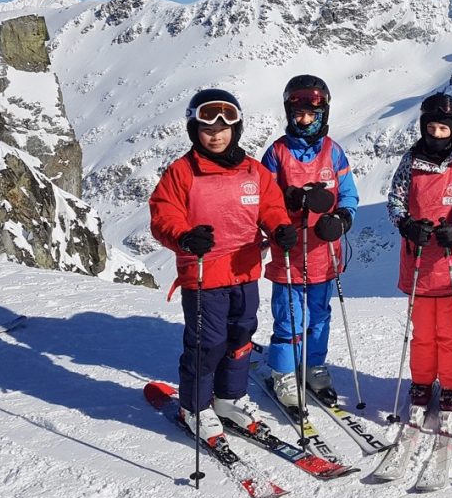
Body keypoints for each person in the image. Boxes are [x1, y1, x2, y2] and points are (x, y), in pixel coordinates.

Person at [149, 88, 297, 444]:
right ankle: (195, 407)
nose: (216, 135)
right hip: (203, 274)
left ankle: (229, 398)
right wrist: (184, 236)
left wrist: (279, 228)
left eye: (223, 127)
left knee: (241, 337)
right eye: (207, 128)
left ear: (237, 128)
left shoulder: (253, 171)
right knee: (207, 344)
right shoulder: (183, 172)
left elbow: (271, 207)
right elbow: (163, 213)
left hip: (244, 271)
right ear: (194, 131)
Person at [260, 75, 359, 413]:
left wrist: (341, 219)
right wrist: (284, 209)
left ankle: (314, 366)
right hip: (289, 252)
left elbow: (348, 194)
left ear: (322, 114)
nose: (302, 120)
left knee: (319, 316)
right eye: (297, 114)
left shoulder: (333, 152)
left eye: (309, 115)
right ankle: (285, 374)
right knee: (288, 317)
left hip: (323, 253)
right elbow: (262, 200)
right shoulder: (277, 152)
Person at [387, 92, 452, 414]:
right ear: (423, 127)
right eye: (432, 128)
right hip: (419, 262)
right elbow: (395, 201)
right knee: (423, 332)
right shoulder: (410, 162)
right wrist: (406, 225)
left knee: (451, 332)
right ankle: (422, 382)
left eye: (444, 129)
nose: (437, 134)